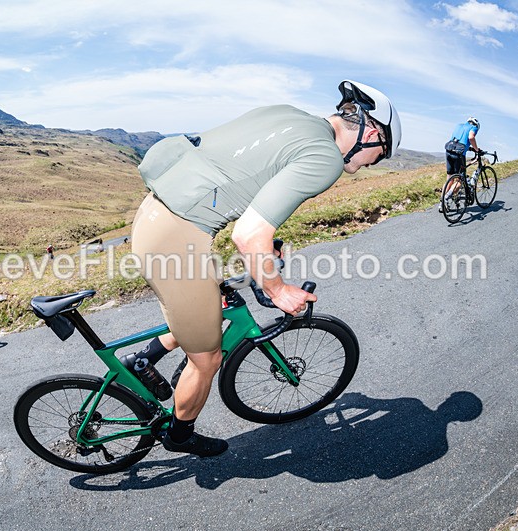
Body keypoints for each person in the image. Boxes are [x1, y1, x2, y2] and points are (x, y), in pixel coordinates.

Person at [127, 80, 401, 457]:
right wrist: (277, 289)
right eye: (380, 155)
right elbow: (249, 233)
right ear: (371, 134)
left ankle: (145, 359)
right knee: (207, 359)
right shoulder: (325, 158)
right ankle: (179, 434)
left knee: (214, 307)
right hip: (176, 237)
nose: (373, 164)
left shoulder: (289, 115)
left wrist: (266, 255)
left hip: (155, 213)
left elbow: (248, 181)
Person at [440, 117, 481, 212]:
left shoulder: (459, 125)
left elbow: (460, 139)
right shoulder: (473, 127)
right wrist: (476, 149)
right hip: (459, 154)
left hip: (449, 150)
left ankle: (441, 204)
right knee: (459, 180)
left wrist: (469, 148)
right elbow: (471, 137)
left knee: (449, 179)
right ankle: (446, 198)